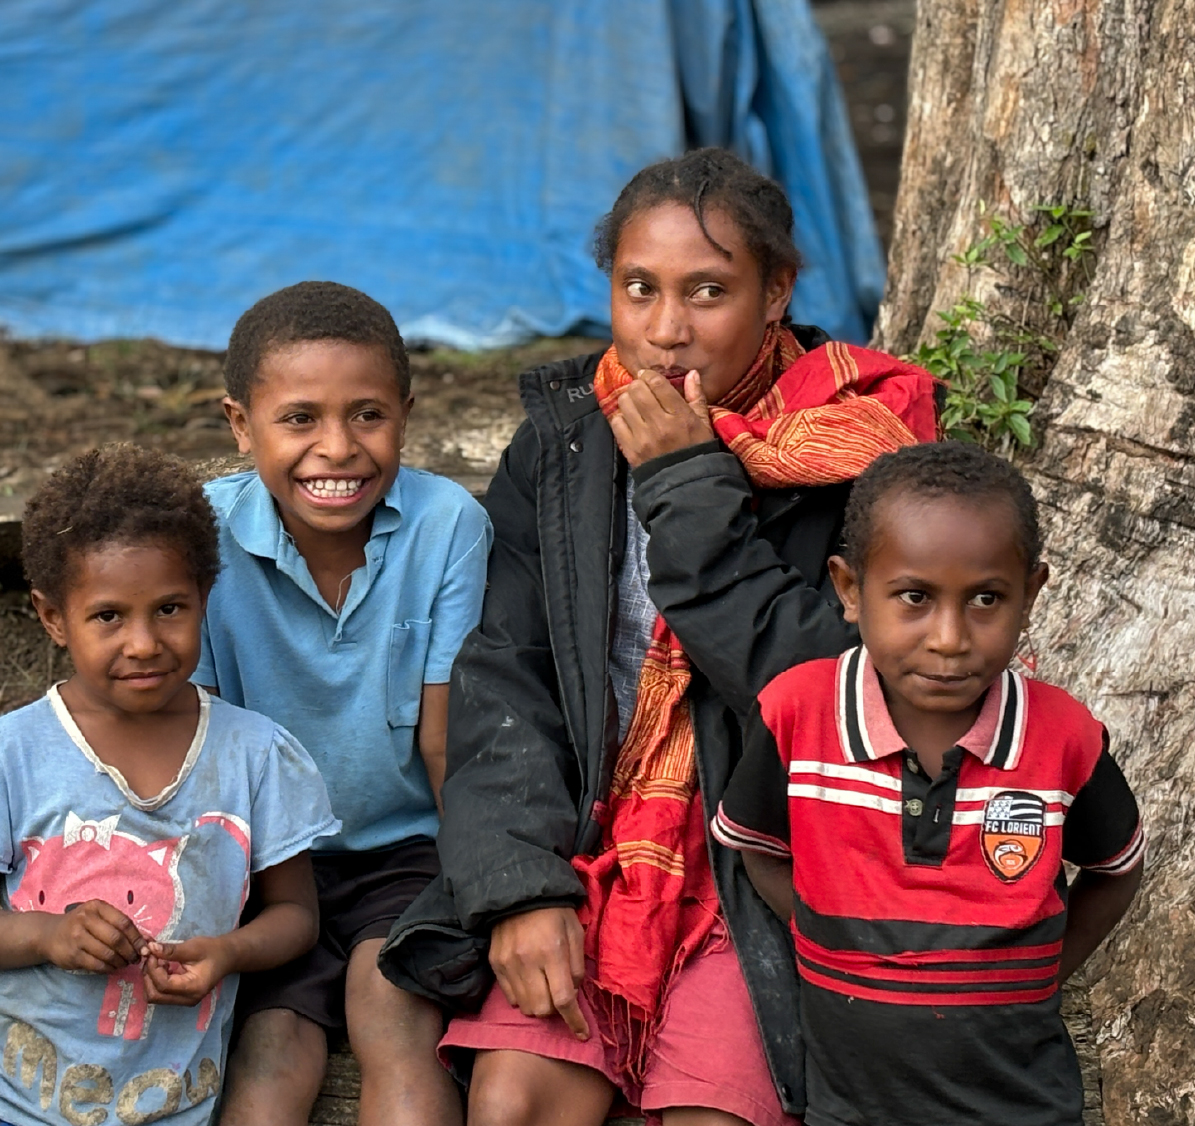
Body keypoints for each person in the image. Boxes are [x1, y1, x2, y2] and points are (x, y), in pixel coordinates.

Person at [380, 147, 939, 1126]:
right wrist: (519, 886)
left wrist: (689, 486)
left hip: (758, 875)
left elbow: (831, 693)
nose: (666, 329)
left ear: (778, 293)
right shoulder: (560, 445)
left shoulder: (860, 456)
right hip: (596, 851)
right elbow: (508, 677)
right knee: (512, 1100)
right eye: (640, 289)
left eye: (708, 291)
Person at [713, 441, 1146, 1126]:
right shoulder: (797, 714)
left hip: (1023, 1108)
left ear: (1030, 595)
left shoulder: (1062, 738)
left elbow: (1116, 869)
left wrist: (1038, 976)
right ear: (851, 590)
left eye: (986, 600)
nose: (949, 637)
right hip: (850, 1109)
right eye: (914, 597)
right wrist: (826, 938)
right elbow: (759, 845)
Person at [0, 445, 337, 1126]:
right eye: (108, 616)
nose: (143, 642)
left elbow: (296, 916)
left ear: (204, 597)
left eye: (170, 608)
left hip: (163, 1110)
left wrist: (227, 952)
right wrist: (46, 935)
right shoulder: (10, 752)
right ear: (53, 618)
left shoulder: (256, 755)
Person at [197, 281, 490, 1125]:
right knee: (270, 1042)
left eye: (368, 415)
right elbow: (197, 734)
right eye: (299, 419)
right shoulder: (203, 535)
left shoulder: (447, 526)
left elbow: (445, 740)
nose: (337, 448)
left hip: (404, 851)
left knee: (390, 1011)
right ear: (240, 424)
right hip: (263, 858)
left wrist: (482, 889)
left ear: (406, 410)